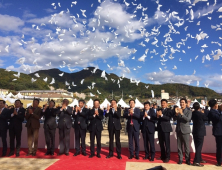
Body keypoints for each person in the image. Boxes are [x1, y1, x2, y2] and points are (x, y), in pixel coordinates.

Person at [174, 98, 192, 165]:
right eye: (181, 102)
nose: (182, 104)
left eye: (183, 102)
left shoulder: (189, 111)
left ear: (186, 103)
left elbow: (188, 119)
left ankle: (187, 160)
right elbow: (174, 119)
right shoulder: (178, 110)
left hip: (186, 131)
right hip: (178, 130)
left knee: (187, 147)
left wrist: (181, 114)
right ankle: (180, 159)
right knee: (179, 146)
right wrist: (176, 114)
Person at [192, 102, 208, 167]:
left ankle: (199, 158)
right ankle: (196, 161)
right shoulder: (201, 114)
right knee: (199, 147)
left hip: (195, 131)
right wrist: (203, 113)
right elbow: (206, 119)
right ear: (199, 107)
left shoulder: (193, 113)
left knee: (197, 146)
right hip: (200, 132)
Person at [208, 99, 222, 166]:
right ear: (214, 105)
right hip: (218, 132)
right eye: (216, 103)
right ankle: (219, 161)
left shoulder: (218, 111)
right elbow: (218, 118)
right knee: (219, 147)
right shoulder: (211, 112)